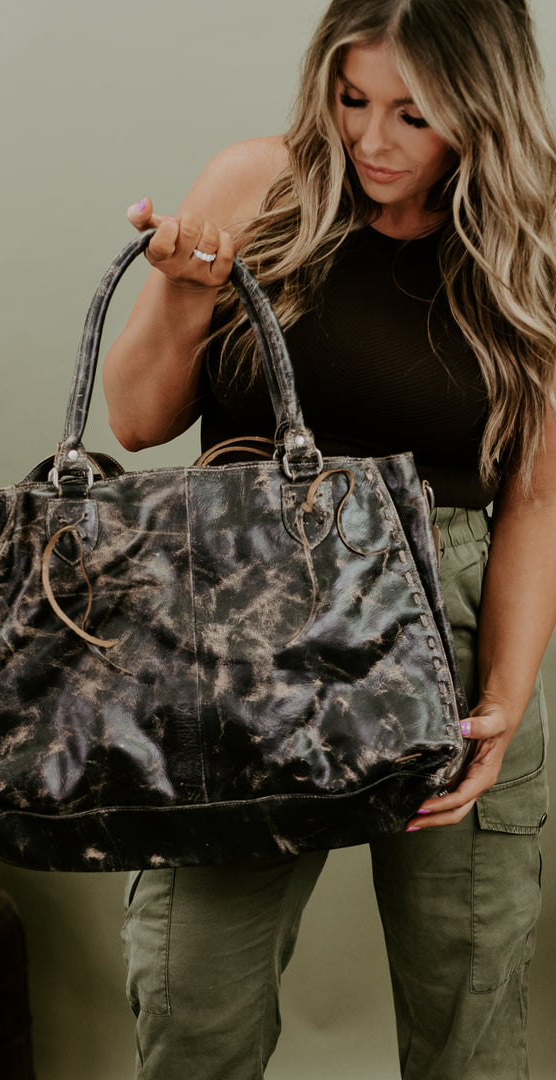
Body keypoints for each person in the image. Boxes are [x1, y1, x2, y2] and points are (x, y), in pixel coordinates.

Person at [102, 1, 556, 1077]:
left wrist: (504, 701)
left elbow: (536, 500)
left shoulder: (535, 236)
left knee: (469, 1027)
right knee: (193, 1008)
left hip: (445, 616)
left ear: (484, 110)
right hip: (240, 630)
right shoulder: (259, 184)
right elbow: (134, 423)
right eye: (353, 100)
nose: (371, 139)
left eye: (415, 115)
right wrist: (184, 292)